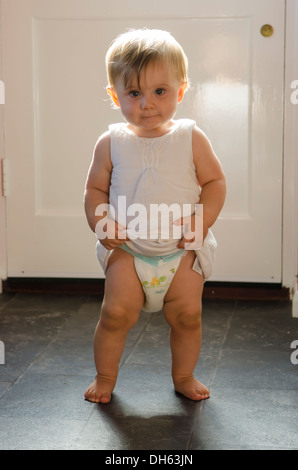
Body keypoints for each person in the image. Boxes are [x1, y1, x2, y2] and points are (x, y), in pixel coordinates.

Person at [84, 28, 226, 404]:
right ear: (116, 96)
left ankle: (184, 375)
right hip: (130, 250)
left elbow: (214, 183)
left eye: (159, 92)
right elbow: (95, 191)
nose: (147, 103)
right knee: (114, 314)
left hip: (182, 251)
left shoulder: (191, 138)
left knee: (187, 317)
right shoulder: (111, 142)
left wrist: (203, 220)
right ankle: (104, 377)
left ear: (180, 91)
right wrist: (101, 222)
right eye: (134, 93)